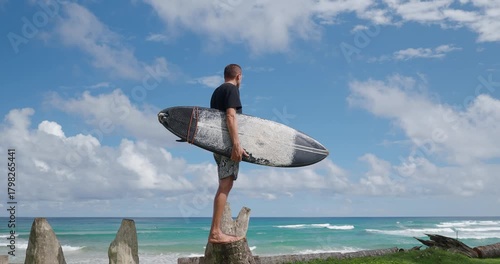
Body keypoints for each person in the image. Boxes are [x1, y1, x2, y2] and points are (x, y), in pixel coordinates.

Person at [208, 64, 249, 244]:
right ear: (238, 76)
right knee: (225, 185)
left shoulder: (216, 92)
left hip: (218, 146)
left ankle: (217, 231)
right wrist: (236, 145)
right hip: (227, 146)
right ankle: (216, 233)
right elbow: (230, 117)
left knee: (224, 184)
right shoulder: (232, 90)